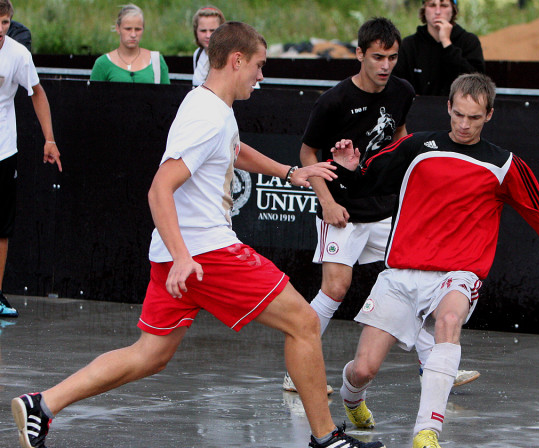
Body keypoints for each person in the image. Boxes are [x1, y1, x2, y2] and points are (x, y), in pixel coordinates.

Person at [11, 21, 382, 448]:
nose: (261, 76)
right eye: (258, 66)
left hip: (181, 255)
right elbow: (159, 188)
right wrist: (185, 256)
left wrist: (291, 172)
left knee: (150, 353)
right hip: (204, 253)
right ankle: (326, 438)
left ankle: (43, 404)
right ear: (236, 60)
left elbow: (234, 149)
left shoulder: (210, 106)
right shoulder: (206, 115)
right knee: (302, 322)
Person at [329, 73, 539, 447]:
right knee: (364, 369)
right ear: (448, 108)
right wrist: (347, 167)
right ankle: (352, 397)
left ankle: (427, 431)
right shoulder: (417, 147)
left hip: (458, 274)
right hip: (402, 274)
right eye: (458, 115)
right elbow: (366, 182)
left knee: (450, 319)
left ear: (489, 115)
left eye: (474, 117)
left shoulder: (504, 165)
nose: (464, 124)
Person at [291, 17, 479, 399]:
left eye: (392, 57)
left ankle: (435, 366)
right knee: (336, 289)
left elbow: (400, 136)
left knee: (417, 284)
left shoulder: (402, 91)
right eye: (377, 57)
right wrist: (326, 201)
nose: (385, 65)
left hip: (384, 211)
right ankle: (296, 371)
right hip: (341, 209)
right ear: (359, 54)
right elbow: (307, 153)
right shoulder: (334, 100)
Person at [0, 0, 62, 319]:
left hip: (3, 150)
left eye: (5, 23)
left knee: (1, 227)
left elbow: (37, 93)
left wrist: (49, 139)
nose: (0, 30)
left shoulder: (18, 54)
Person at [394, 0, 485, 96]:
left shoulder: (469, 41)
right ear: (424, 9)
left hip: (458, 109)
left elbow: (476, 84)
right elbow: (396, 83)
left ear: (453, 10)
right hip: (419, 108)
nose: (437, 11)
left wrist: (446, 43)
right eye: (432, 5)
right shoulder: (409, 44)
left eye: (444, 6)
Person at [90, 4, 170, 84]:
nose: (133, 35)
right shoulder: (102, 64)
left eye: (138, 29)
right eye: (128, 29)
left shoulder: (157, 61)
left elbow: (167, 94)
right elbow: (93, 95)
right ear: (118, 28)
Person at [191, 6, 225, 87]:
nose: (208, 35)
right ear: (196, 32)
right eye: (203, 31)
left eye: (212, 30)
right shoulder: (198, 54)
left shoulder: (230, 56)